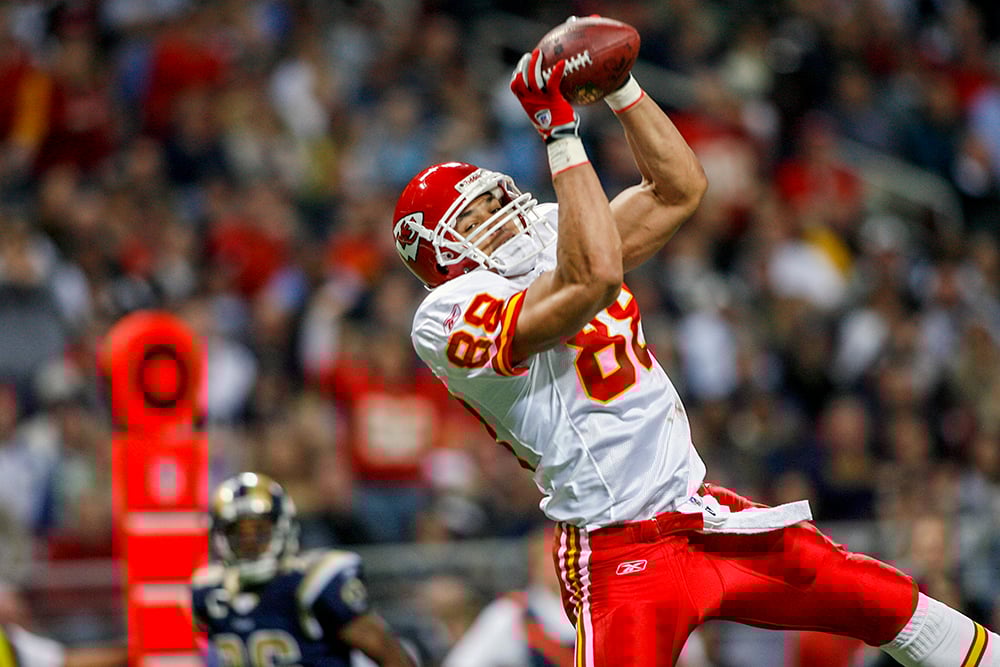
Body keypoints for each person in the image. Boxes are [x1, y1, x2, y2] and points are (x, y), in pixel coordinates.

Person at [390, 16, 999, 667]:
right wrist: (559, 130)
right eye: (476, 216)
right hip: (617, 551)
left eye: (496, 197)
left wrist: (622, 89)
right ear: (438, 252)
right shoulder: (444, 314)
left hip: (700, 515)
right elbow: (591, 281)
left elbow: (680, 189)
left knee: (892, 605)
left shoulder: (550, 230)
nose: (504, 214)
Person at [190, 472, 416, 667]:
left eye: (260, 531)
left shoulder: (314, 582)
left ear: (282, 527)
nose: (250, 543)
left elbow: (390, 655)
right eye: (238, 534)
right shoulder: (209, 593)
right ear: (220, 537)